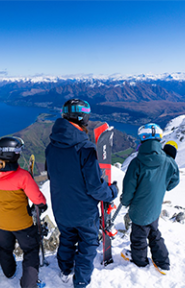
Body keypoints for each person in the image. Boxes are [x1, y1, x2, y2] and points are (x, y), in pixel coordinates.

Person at [45, 99, 118, 288]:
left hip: (61, 207)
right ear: (83, 118)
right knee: (87, 244)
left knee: (67, 238)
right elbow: (94, 187)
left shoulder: (51, 147)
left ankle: (65, 270)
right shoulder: (85, 149)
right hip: (84, 211)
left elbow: (52, 175)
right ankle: (81, 281)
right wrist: (111, 192)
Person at [0, 136, 47, 288]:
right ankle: (29, 284)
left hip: (3, 222)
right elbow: (37, 199)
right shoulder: (23, 176)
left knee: (5, 248)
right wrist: (41, 206)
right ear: (16, 154)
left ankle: (8, 272)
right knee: (31, 250)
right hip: (22, 224)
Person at [121, 123, 180, 272]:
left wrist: (125, 201)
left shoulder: (137, 163)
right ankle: (163, 262)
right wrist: (163, 186)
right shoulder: (168, 161)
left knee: (138, 237)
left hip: (139, 208)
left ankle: (139, 262)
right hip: (155, 207)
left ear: (142, 139)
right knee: (154, 233)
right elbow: (175, 180)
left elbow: (129, 187)